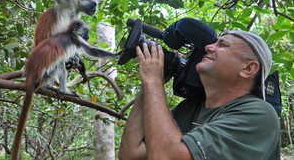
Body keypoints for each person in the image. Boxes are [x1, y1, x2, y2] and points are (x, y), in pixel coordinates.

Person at [118, 29, 281, 160]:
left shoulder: (259, 115)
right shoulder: (187, 109)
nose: (208, 47)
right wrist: (148, 87)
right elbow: (131, 154)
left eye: (222, 45)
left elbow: (166, 156)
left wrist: (153, 82)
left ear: (248, 69)